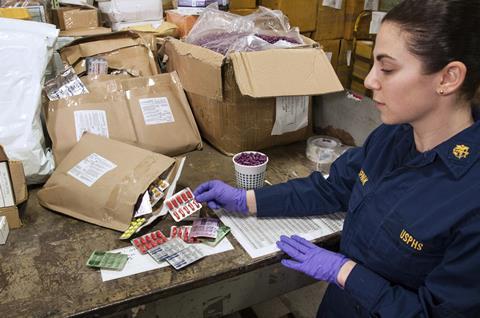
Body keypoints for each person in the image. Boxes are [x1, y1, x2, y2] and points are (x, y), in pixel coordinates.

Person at [193, 0, 480, 317]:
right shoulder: (391, 137)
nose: (370, 80)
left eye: (387, 68)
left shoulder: (470, 199)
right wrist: (246, 199)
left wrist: (345, 273)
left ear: (448, 78)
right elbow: (330, 189)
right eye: (373, 65)